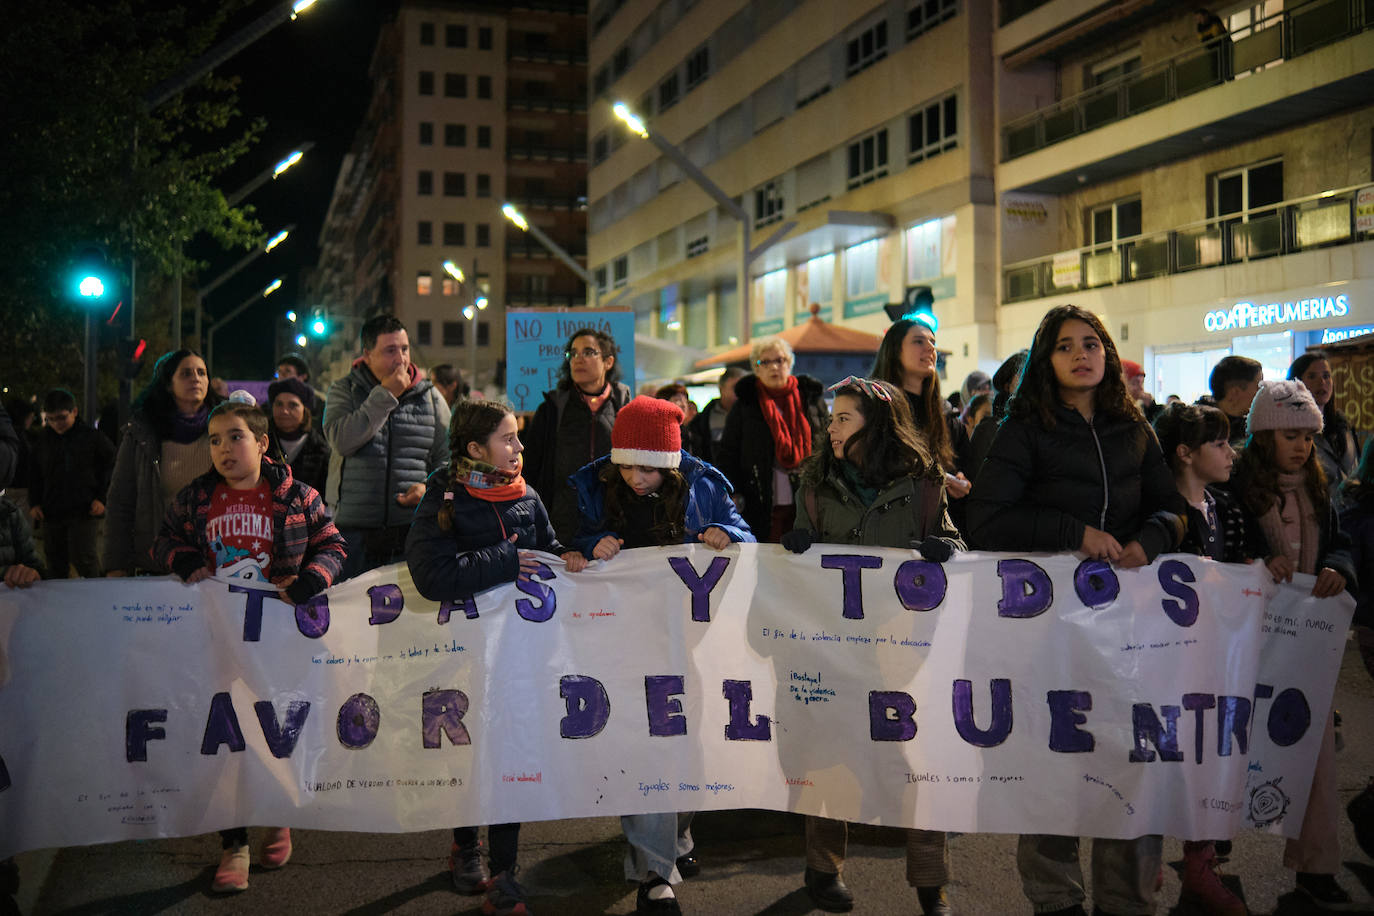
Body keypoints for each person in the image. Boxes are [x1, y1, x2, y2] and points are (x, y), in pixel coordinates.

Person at [966, 304, 1185, 916]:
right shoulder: (1024, 429)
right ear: (1047, 360)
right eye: (1065, 346)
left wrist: (1153, 539)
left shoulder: (1134, 428)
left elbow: (1172, 507)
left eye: (1091, 343)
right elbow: (985, 518)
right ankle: (1055, 898)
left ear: (1108, 353)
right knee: (1057, 757)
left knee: (1131, 758)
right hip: (1051, 629)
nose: (1081, 354)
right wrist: (1074, 532)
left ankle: (1125, 899)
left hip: (1129, 629)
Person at [150, 393, 346, 894]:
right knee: (224, 740)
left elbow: (333, 544)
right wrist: (183, 561)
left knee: (273, 730)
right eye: (215, 440)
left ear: (261, 443)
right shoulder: (195, 498)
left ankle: (276, 813)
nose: (223, 449)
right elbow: (165, 540)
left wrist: (312, 580)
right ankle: (232, 842)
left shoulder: (297, 496)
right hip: (217, 642)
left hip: (278, 643)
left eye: (235, 437)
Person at [781, 376, 962, 915]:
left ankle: (931, 883)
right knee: (830, 752)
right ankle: (822, 869)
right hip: (835, 649)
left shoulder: (924, 485)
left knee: (916, 761)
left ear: (876, 425)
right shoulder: (815, 484)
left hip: (903, 649)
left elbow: (956, 543)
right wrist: (796, 549)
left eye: (842, 418)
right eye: (831, 417)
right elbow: (795, 570)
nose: (830, 427)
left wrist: (945, 548)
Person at [568, 395, 753, 915]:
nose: (633, 477)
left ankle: (678, 832)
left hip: (695, 642)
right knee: (642, 744)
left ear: (669, 464)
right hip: (626, 641)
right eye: (625, 465)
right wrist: (592, 542)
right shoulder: (593, 485)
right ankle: (654, 872)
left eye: (646, 468)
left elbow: (747, 536)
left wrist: (728, 534)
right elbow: (572, 541)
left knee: (694, 739)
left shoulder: (706, 486)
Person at [406, 398, 587, 916]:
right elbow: (432, 576)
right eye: (508, 439)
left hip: (517, 654)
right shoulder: (444, 498)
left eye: (518, 437)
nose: (519, 447)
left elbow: (547, 549)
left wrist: (568, 556)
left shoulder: (527, 496)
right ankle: (467, 845)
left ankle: (506, 872)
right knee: (470, 751)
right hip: (462, 654)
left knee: (512, 753)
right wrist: (507, 559)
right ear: (474, 449)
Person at [1229, 379, 1357, 910]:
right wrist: (1256, 565)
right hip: (1245, 646)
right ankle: (1204, 865)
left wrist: (1338, 569)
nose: (1302, 445)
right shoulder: (1237, 491)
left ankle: (1317, 867)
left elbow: (1342, 544)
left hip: (1306, 649)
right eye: (1290, 434)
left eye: (1308, 435)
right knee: (1227, 754)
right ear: (1264, 437)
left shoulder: (1320, 490)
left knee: (1316, 757)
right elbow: (1223, 552)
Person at [1152, 402, 1260, 916]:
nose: (1230, 453)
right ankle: (1145, 855)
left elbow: (1246, 563)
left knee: (1209, 755)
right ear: (1185, 453)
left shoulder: (1227, 508)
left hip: (1218, 658)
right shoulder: (1158, 514)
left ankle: (1199, 865)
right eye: (1218, 443)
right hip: (1166, 663)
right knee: (1161, 756)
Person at [324, 315, 451, 579]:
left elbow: (447, 458)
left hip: (411, 528)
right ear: (368, 355)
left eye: (404, 349)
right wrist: (385, 395)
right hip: (354, 531)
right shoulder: (345, 390)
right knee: (352, 616)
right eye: (390, 350)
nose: (401, 359)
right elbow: (341, 440)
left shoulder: (430, 397)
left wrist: (429, 489)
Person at [104, 349, 223, 576]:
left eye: (201, 372)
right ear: (168, 384)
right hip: (160, 564)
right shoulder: (142, 434)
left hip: (219, 562)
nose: (196, 378)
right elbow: (121, 502)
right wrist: (116, 564)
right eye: (186, 373)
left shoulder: (225, 429)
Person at [522, 326, 634, 544]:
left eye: (588, 352)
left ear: (608, 362)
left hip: (614, 523)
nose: (578, 359)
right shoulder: (551, 410)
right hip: (562, 524)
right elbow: (532, 468)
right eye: (573, 353)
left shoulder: (626, 409)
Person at [716, 337, 827, 542]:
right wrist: (735, 491)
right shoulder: (745, 405)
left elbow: (826, 445)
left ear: (790, 364)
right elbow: (728, 454)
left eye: (780, 360)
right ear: (756, 369)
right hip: (761, 500)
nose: (774, 367)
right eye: (765, 362)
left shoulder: (811, 400)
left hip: (808, 496)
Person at [871, 320, 973, 528]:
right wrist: (935, 478)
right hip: (890, 529)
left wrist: (962, 480)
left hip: (943, 533)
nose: (930, 348)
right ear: (894, 351)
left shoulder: (947, 416)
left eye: (932, 342)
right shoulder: (874, 409)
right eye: (918, 341)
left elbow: (964, 466)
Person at [28, 388, 115, 578]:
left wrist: (101, 498)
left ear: (74, 412)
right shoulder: (43, 440)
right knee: (54, 561)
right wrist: (34, 502)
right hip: (52, 511)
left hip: (84, 510)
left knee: (84, 557)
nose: (56, 424)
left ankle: (95, 599)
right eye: (50, 419)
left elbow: (111, 467)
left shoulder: (92, 438)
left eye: (61, 418)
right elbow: (34, 473)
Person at [1289, 351, 1358, 506]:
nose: (1322, 382)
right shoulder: (1292, 430)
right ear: (1297, 383)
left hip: (1350, 515)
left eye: (1326, 376)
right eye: (1312, 376)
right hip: (1317, 513)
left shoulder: (1342, 426)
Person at [967, 350, 1027, 484]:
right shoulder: (989, 430)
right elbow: (981, 482)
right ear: (1007, 385)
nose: (1029, 380)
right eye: (1023, 374)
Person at [266, 377, 330, 495]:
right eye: (279, 404)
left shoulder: (320, 449)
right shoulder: (260, 444)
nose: (284, 411)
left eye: (293, 405)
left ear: (305, 410)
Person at [685, 366, 745, 464]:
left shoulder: (753, 416)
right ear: (721, 389)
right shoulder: (702, 420)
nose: (740, 393)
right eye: (735, 388)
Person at [1207, 355, 1262, 451]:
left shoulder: (1251, 426)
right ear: (1235, 392)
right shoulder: (1199, 429)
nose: (1262, 392)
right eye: (1258, 387)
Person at [654, 383, 708, 458]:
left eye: (685, 401)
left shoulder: (691, 432)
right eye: (678, 400)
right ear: (664, 403)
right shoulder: (658, 433)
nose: (683, 405)